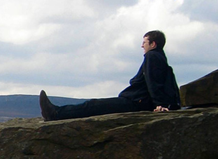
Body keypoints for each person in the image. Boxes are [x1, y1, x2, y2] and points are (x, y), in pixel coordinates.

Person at [39, 30, 181, 121]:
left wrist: (159, 104)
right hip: (139, 101)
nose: (142, 45)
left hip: (136, 102)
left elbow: (153, 82)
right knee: (94, 105)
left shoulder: (152, 56)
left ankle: (56, 113)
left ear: (153, 44)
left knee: (93, 105)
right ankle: (56, 112)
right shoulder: (161, 58)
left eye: (144, 42)